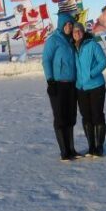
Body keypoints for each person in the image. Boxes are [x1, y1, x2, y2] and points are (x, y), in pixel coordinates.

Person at [42, 12, 79, 160]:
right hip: (58, 85)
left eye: (71, 24)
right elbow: (46, 60)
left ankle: (71, 149)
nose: (69, 27)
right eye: (67, 24)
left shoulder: (72, 41)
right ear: (61, 25)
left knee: (71, 117)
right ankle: (64, 151)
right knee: (60, 117)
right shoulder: (53, 40)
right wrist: (50, 80)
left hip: (72, 85)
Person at [72, 24, 106, 156]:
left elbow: (103, 62)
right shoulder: (73, 48)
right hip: (81, 88)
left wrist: (91, 74)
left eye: (79, 31)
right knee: (86, 117)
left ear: (83, 32)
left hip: (96, 86)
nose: (77, 33)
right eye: (75, 32)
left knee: (97, 115)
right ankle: (91, 146)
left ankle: (99, 147)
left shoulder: (92, 45)